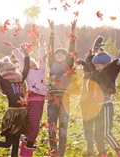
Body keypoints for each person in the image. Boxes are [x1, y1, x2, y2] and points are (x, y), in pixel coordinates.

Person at [86, 36, 120, 157]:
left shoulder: (108, 72)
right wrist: (96, 49)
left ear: (105, 64)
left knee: (106, 133)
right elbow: (92, 63)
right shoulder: (96, 72)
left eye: (99, 66)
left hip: (106, 106)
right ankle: (103, 154)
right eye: (96, 67)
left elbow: (113, 67)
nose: (97, 69)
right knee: (98, 134)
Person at [3, 35, 47, 157]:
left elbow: (42, 60)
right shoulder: (27, 73)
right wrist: (14, 48)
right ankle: (25, 150)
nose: (33, 63)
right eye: (30, 62)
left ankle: (25, 147)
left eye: (34, 62)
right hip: (32, 101)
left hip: (41, 102)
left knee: (34, 127)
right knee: (34, 128)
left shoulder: (41, 71)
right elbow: (23, 61)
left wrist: (41, 45)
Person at [46, 19, 77, 157]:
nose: (59, 55)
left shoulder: (68, 66)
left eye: (62, 54)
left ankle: (61, 153)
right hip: (52, 100)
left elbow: (71, 52)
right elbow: (50, 49)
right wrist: (52, 32)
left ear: (65, 58)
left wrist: (73, 33)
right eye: (57, 54)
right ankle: (53, 151)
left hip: (65, 100)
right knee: (52, 127)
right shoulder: (52, 64)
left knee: (63, 128)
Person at [76, 36, 108, 157]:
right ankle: (90, 151)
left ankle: (101, 151)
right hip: (86, 103)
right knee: (88, 128)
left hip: (97, 104)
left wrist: (88, 59)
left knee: (99, 128)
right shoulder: (88, 73)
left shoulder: (99, 73)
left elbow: (90, 66)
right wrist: (89, 57)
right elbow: (88, 67)